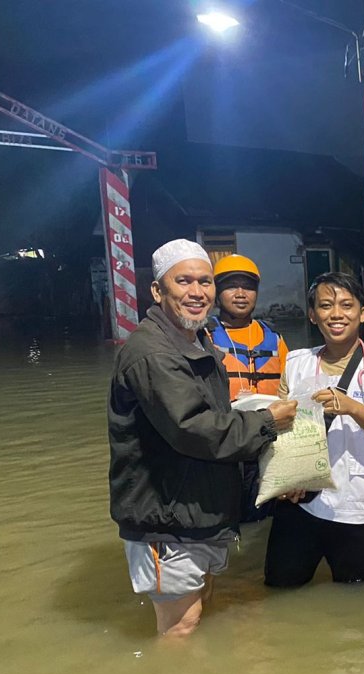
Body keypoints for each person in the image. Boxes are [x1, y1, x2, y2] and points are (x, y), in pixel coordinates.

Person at [108, 239, 297, 638]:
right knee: (181, 624)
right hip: (166, 513)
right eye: (184, 281)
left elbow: (213, 419)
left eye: (205, 282)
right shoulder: (153, 353)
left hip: (196, 508)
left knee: (201, 604)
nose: (197, 292)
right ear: (158, 291)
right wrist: (266, 422)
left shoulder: (195, 340)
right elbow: (192, 428)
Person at [264, 271, 364, 587]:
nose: (336, 314)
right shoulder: (296, 362)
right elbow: (281, 429)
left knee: (356, 604)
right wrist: (288, 477)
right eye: (326, 305)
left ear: (361, 313)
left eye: (346, 305)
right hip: (299, 502)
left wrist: (352, 407)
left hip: (355, 507)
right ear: (312, 314)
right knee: (280, 591)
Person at [207, 253, 289, 401]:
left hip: (271, 420)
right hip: (227, 422)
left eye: (248, 287)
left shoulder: (274, 338)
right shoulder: (204, 336)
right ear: (217, 293)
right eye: (231, 287)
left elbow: (290, 388)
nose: (240, 294)